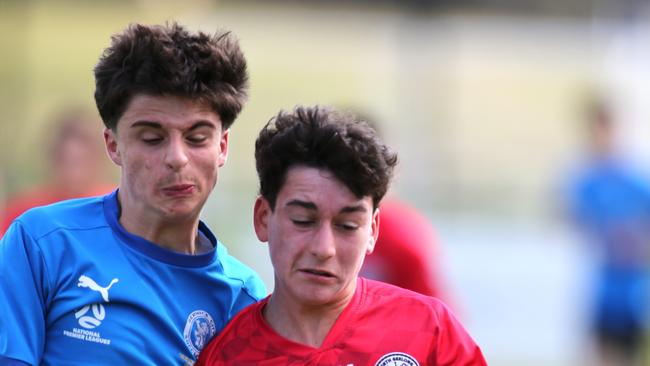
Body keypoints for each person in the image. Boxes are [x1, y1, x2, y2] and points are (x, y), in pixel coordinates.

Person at [0, 22, 267, 365]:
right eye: (152, 138)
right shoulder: (43, 243)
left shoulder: (242, 300)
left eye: (197, 137)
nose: (176, 158)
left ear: (223, 147)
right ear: (113, 145)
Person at [197, 106, 486, 365]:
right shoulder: (228, 356)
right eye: (303, 221)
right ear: (262, 218)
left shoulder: (430, 331)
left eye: (347, 225)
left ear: (372, 230)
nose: (324, 249)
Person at [566, 99, 650, 366]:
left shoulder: (636, 180)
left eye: (606, 127)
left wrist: (637, 245)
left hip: (635, 292)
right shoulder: (587, 181)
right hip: (603, 290)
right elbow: (573, 221)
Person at [0, 107, 116, 236]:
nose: (74, 173)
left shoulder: (118, 208)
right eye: (66, 160)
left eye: (80, 161)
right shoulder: (24, 211)